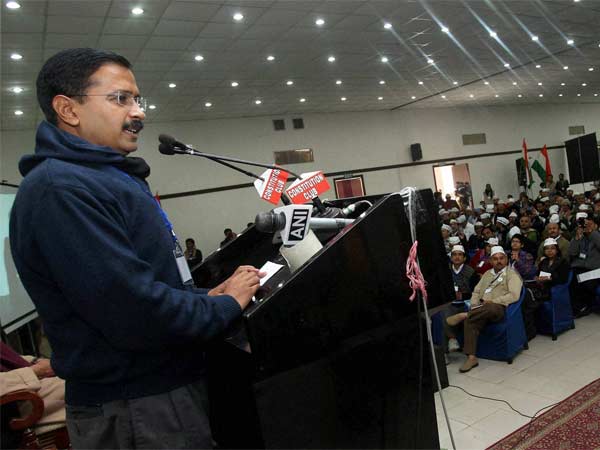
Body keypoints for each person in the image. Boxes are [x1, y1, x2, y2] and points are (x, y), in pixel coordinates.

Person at [9, 48, 265, 449]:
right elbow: (132, 311)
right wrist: (224, 305)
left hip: (155, 397)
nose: (139, 112)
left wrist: (204, 298)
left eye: (137, 99)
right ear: (68, 109)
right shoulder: (62, 190)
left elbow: (146, 281)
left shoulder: (103, 177)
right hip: (138, 407)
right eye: (120, 98)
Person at [446, 246, 523, 373]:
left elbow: (514, 295)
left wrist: (494, 301)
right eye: (495, 259)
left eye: (501, 258)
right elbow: (476, 291)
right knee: (471, 321)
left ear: (506, 259)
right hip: (480, 309)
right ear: (491, 261)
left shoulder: (511, 274)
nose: (499, 261)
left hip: (498, 307)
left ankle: (466, 314)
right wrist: (474, 304)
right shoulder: (487, 274)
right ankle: (472, 358)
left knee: (489, 307)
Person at [0, 342, 66, 438]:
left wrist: (35, 361)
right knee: (83, 386)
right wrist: (36, 371)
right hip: (14, 401)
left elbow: (6, 356)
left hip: (22, 381)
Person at [443, 245, 479, 353]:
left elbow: (476, 292)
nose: (457, 257)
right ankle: (451, 341)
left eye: (460, 255)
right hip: (450, 302)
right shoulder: (445, 271)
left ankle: (454, 340)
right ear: (451, 257)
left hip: (465, 302)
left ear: (464, 258)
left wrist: (462, 296)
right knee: (441, 313)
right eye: (454, 255)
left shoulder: (471, 272)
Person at [568, 215, 600, 317]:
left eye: (589, 224)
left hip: (595, 269)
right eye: (585, 225)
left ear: (596, 225)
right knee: (572, 280)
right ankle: (577, 307)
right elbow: (572, 252)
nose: (586, 226)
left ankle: (585, 306)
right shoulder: (580, 236)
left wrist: (592, 233)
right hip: (579, 267)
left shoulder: (597, 236)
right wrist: (577, 238)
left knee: (585, 283)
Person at [527, 238, 570, 303]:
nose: (549, 251)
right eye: (547, 249)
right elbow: (538, 274)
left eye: (552, 248)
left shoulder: (563, 262)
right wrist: (536, 278)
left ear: (557, 250)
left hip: (555, 288)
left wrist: (549, 279)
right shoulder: (543, 262)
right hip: (541, 287)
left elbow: (563, 279)